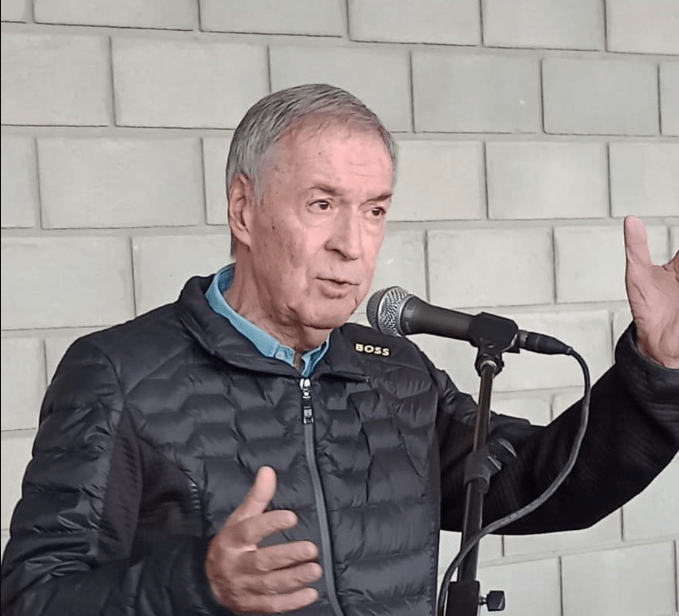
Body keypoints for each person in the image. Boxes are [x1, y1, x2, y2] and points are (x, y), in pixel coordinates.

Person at [1, 83, 677, 616]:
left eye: (374, 210)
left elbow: (541, 484)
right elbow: (34, 596)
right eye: (322, 204)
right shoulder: (119, 374)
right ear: (242, 209)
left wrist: (657, 368)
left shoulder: (398, 374)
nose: (353, 246)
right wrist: (198, 584)